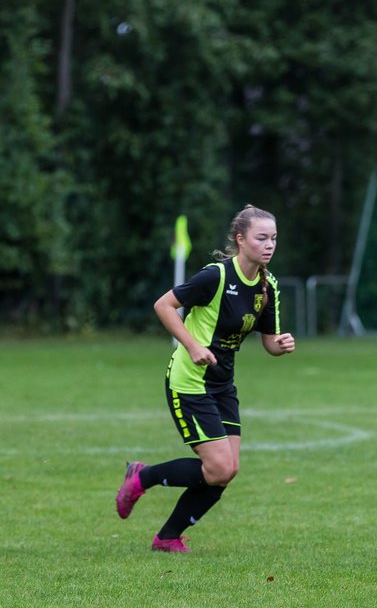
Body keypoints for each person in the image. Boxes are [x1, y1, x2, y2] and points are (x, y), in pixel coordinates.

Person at [115, 205, 296, 551]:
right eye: (261, 238)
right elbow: (163, 306)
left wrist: (281, 343)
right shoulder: (215, 277)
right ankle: (142, 476)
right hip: (189, 380)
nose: (269, 245)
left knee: (228, 470)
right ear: (241, 240)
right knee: (217, 467)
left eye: (273, 238)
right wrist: (193, 345)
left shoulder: (267, 285)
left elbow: (269, 342)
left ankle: (167, 537)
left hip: (222, 383)